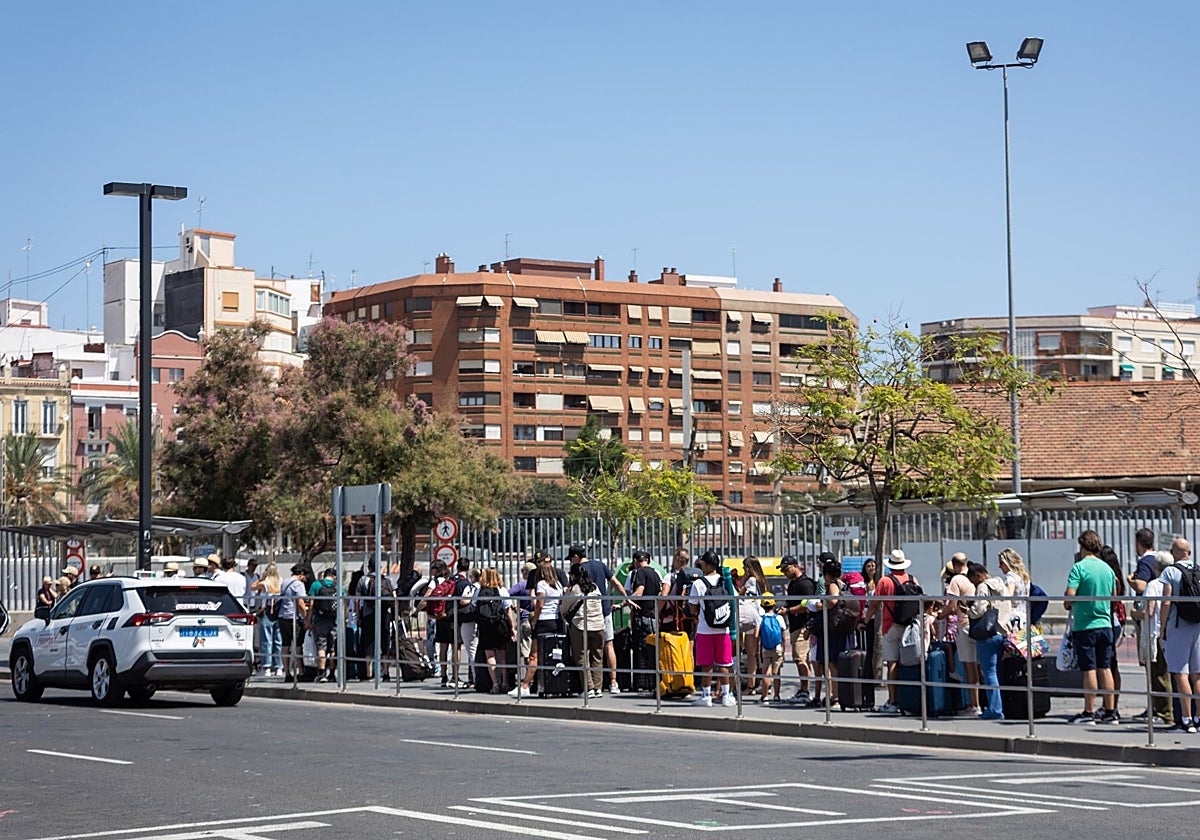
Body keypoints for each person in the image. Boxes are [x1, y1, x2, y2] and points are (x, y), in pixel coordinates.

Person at [1065, 530, 1118, 724]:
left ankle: (1088, 712)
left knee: (1089, 669)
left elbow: (1070, 594)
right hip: (1105, 623)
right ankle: (1110, 711)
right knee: (1106, 667)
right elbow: (1114, 595)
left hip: (1085, 624)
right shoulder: (1107, 569)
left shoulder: (1079, 567)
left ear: (1083, 546)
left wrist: (1067, 603)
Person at [864, 549, 921, 714]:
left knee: (892, 662)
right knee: (909, 662)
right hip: (910, 626)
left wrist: (865, 620)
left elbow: (874, 605)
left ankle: (893, 700)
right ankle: (909, 699)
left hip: (891, 626)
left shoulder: (884, 581)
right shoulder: (913, 579)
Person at [568, 545, 628, 694]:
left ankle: (589, 688)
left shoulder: (579, 570)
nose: (571, 562)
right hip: (604, 610)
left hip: (584, 614)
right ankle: (613, 682)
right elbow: (615, 582)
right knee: (607, 647)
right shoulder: (600, 565)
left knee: (584, 652)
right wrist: (626, 597)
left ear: (576, 556)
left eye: (571, 559)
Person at [509, 557, 565, 698]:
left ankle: (525, 685)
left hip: (543, 621)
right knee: (553, 654)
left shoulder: (541, 584)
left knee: (534, 656)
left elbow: (539, 604)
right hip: (555, 620)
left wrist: (534, 620)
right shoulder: (557, 584)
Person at [1160, 537, 1200, 732]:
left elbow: (1166, 601)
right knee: (1197, 674)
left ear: (1173, 553)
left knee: (1180, 673)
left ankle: (1186, 719)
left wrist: (1162, 627)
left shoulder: (1170, 571)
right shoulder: (1199, 569)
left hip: (1178, 626)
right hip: (1197, 626)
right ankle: (1199, 718)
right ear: (1189, 553)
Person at [1131, 550, 1174, 725]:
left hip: (1154, 632)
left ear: (1156, 568)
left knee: (1158, 674)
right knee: (1174, 673)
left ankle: (1165, 713)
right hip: (1174, 631)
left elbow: (1148, 612)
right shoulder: (1175, 582)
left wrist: (1135, 613)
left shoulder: (1154, 584)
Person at [688, 550, 736, 707]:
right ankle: (726, 695)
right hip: (724, 630)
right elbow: (734, 600)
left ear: (707, 565)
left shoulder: (698, 583)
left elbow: (693, 608)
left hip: (704, 629)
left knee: (706, 664)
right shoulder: (725, 581)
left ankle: (706, 696)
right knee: (724, 664)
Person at [967, 562, 1010, 720]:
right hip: (1002, 632)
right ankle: (997, 707)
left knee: (989, 672)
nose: (974, 584)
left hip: (988, 633)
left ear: (978, 576)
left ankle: (995, 709)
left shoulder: (983, 587)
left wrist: (968, 611)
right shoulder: (1002, 585)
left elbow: (979, 610)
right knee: (996, 672)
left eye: (973, 581)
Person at [809, 556, 853, 707]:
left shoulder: (833, 585)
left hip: (833, 629)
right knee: (839, 663)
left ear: (827, 574)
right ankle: (841, 694)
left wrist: (820, 605)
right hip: (844, 627)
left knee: (833, 664)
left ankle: (836, 697)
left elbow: (833, 601)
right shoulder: (845, 584)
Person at [939, 552, 979, 716]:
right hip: (978, 624)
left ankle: (974, 705)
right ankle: (985, 703)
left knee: (969, 667)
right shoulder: (974, 577)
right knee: (980, 667)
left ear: (955, 566)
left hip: (964, 624)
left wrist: (939, 615)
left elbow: (952, 607)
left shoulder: (957, 580)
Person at [562, 564, 605, 697]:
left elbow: (564, 608)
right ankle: (598, 688)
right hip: (599, 625)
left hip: (581, 626)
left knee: (581, 657)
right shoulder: (595, 587)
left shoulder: (575, 589)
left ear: (573, 575)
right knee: (597, 656)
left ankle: (589, 688)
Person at [625, 550, 662, 692]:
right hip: (653, 616)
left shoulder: (637, 573)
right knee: (653, 650)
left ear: (635, 561)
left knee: (640, 649)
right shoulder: (656, 573)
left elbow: (638, 591)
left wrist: (626, 601)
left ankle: (641, 683)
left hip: (642, 616)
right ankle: (653, 683)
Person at [780, 555, 815, 704]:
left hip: (803, 626)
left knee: (801, 659)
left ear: (795, 566)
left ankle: (805, 691)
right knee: (800, 658)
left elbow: (807, 605)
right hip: (795, 626)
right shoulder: (794, 584)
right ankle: (804, 689)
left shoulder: (804, 584)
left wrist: (788, 611)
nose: (784, 573)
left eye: (786, 569)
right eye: (782, 570)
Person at [476, 567, 516, 693]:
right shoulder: (501, 590)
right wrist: (512, 627)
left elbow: (473, 606)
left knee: (490, 656)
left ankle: (495, 684)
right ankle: (505, 682)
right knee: (502, 655)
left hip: (485, 626)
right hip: (500, 625)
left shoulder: (479, 590)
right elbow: (508, 609)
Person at [1098, 545, 1127, 709]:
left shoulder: (1109, 576)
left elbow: (1112, 601)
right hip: (1116, 620)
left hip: (1109, 619)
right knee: (1111, 663)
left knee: (1107, 664)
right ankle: (1110, 703)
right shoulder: (1117, 575)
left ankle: (1109, 704)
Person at [356, 561, 394, 682]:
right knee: (385, 642)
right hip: (385, 614)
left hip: (368, 614)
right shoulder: (388, 579)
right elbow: (394, 597)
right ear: (380, 567)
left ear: (369, 567)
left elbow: (357, 600)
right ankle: (386, 673)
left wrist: (358, 616)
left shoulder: (363, 580)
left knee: (368, 643)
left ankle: (369, 673)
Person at [738, 556, 768, 694]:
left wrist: (742, 580)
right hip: (760, 618)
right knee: (757, 654)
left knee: (749, 654)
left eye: (745, 568)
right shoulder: (762, 581)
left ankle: (751, 685)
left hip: (749, 619)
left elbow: (741, 594)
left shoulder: (751, 580)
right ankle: (760, 684)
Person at [251, 562, 283, 676]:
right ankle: (279, 666)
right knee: (278, 640)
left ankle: (267, 667)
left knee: (266, 641)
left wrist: (262, 578)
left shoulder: (264, 583)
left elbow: (252, 587)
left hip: (266, 613)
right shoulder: (281, 582)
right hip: (278, 613)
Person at [279, 564, 310, 680]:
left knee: (285, 645)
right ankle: (301, 672)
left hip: (282, 616)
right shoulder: (298, 584)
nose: (306, 579)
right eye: (305, 576)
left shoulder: (284, 582)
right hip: (293, 617)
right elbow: (300, 603)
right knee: (298, 645)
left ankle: (287, 672)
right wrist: (306, 618)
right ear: (301, 574)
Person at [308, 567, 339, 682]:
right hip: (333, 621)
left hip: (319, 620)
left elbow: (311, 605)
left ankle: (321, 673)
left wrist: (309, 620)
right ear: (334, 576)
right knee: (332, 648)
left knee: (321, 646)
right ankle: (332, 673)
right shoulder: (338, 586)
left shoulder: (316, 585)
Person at [757, 596, 787, 704]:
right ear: (774, 605)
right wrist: (783, 648)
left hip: (765, 648)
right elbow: (783, 635)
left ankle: (764, 696)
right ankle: (777, 696)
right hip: (777, 647)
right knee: (777, 673)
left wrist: (757, 649)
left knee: (765, 672)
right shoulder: (779, 618)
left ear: (762, 606)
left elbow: (757, 635)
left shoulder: (760, 619)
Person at [659, 547, 696, 635]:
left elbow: (664, 596)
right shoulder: (694, 577)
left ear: (677, 559)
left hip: (672, 620)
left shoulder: (670, 577)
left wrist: (656, 612)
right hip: (690, 618)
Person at [458, 568, 482, 687]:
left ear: (472, 578)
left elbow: (463, 601)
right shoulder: (483, 587)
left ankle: (476, 678)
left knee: (471, 650)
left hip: (469, 620)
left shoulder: (471, 587)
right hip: (481, 619)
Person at [997, 548, 1031, 629]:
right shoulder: (1024, 577)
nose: (999, 566)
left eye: (1001, 563)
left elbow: (1008, 596)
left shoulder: (1010, 577)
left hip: (1013, 617)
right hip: (1024, 616)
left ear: (1008, 563)